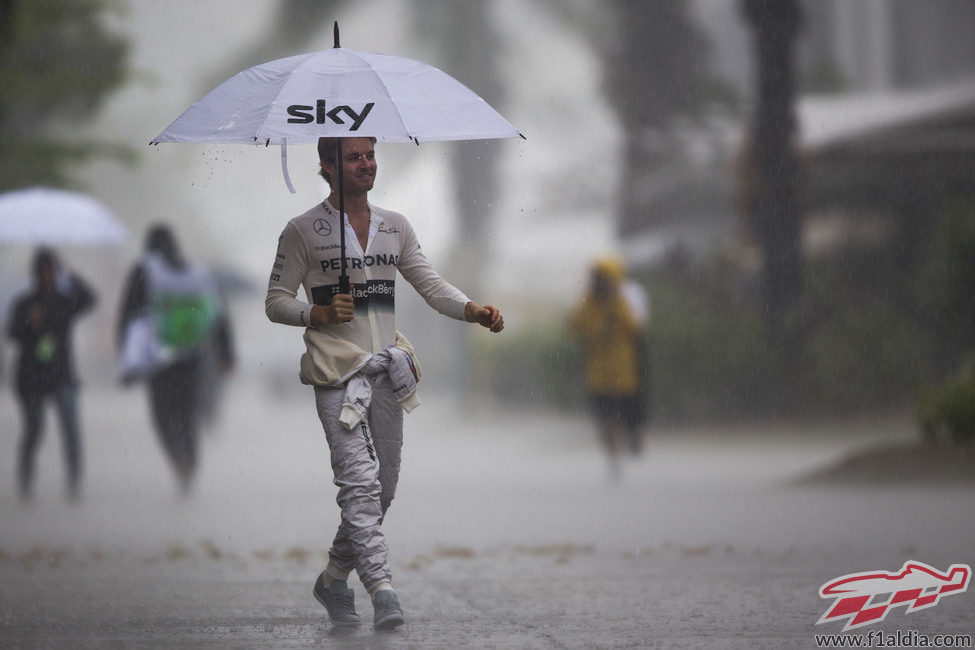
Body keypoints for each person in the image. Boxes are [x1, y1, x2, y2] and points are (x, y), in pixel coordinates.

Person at [265, 136, 504, 631]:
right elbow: (275, 300)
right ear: (327, 167)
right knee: (358, 484)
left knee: (384, 487)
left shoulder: (396, 227)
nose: (366, 165)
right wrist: (319, 311)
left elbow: (431, 284)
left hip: (386, 371)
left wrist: (473, 310)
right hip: (335, 376)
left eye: (370, 155)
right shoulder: (302, 231)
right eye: (353, 157)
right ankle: (383, 590)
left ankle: (333, 577)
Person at [116, 225, 235, 493]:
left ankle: (177, 459)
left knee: (162, 414)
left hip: (159, 358)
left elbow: (128, 314)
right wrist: (227, 354)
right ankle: (190, 464)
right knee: (187, 415)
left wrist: (126, 356)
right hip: (192, 356)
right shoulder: (197, 272)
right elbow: (219, 314)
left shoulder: (145, 272)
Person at [6, 247, 95, 501]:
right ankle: (25, 481)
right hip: (30, 376)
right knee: (34, 429)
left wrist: (71, 273)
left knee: (71, 430)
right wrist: (28, 323)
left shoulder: (65, 301)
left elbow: (90, 299)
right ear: (36, 272)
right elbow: (11, 332)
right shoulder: (24, 303)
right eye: (45, 270)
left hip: (62, 374)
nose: (49, 275)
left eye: (53, 270)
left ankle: (74, 484)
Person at [568, 257, 646, 477]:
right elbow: (575, 325)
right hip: (598, 373)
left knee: (625, 414)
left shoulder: (624, 301)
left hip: (624, 371)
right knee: (605, 418)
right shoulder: (588, 304)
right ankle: (614, 455)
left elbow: (635, 326)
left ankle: (630, 439)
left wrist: (615, 303)